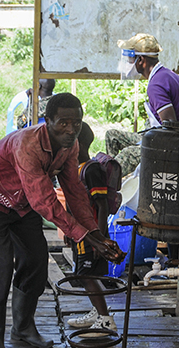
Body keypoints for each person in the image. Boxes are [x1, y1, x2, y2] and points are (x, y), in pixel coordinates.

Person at [0, 93, 125, 348]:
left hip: (19, 203)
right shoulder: (28, 143)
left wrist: (96, 234)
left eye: (76, 123)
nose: (71, 130)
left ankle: (23, 329)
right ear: (48, 121)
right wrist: (84, 236)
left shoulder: (71, 146)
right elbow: (44, 202)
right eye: (63, 123)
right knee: (2, 265)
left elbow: (75, 194)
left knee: (36, 260)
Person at [106, 33, 179, 176]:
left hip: (167, 144)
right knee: (111, 136)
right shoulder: (168, 75)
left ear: (141, 60)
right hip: (159, 135)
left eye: (131, 59)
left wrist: (146, 144)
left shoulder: (156, 85)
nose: (128, 63)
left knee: (126, 156)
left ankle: (108, 184)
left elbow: (171, 127)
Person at [65, 124, 118, 336]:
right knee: (87, 274)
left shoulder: (91, 169)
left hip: (92, 234)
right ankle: (98, 312)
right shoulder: (77, 169)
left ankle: (105, 320)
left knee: (87, 275)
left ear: (77, 144)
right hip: (81, 233)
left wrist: (101, 239)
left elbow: (102, 204)